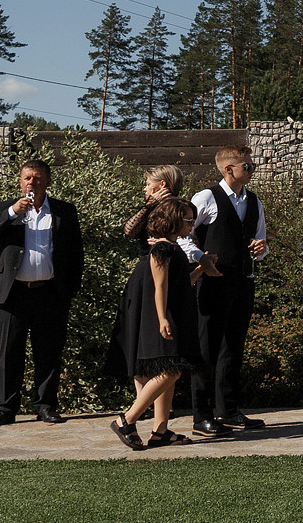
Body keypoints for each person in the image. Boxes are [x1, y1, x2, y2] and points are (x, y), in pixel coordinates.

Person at [0, 156, 82, 427]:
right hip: (12, 294)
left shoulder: (64, 211)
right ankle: (4, 409)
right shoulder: (5, 209)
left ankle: (46, 406)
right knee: (9, 351)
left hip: (50, 293)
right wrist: (12, 211)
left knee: (48, 352)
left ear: (47, 181)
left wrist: (68, 290)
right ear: (20, 181)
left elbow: (76, 255)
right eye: (27, 178)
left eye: (37, 178)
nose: (31, 182)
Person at [189, 146, 270, 437]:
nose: (251, 169)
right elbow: (184, 234)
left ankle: (230, 410)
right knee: (206, 348)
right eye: (246, 166)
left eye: (252, 165)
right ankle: (202, 415)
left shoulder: (254, 201)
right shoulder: (206, 197)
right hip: (213, 283)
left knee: (234, 347)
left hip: (243, 282)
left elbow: (261, 240)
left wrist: (261, 249)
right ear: (228, 169)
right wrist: (199, 258)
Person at [110, 196, 196, 449]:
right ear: (174, 221)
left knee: (166, 367)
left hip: (169, 312)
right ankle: (127, 419)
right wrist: (162, 318)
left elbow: (179, 283)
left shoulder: (170, 247)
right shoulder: (161, 249)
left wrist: (202, 268)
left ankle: (160, 431)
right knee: (171, 368)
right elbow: (159, 286)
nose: (192, 224)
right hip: (160, 314)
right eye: (188, 220)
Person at [109, 164, 188, 387]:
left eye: (147, 184)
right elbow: (129, 230)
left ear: (161, 184)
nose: (144, 189)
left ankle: (158, 406)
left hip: (167, 276)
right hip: (144, 278)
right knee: (137, 335)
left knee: (164, 345)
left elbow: (190, 241)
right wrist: (149, 205)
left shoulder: (180, 209)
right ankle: (142, 401)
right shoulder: (149, 207)